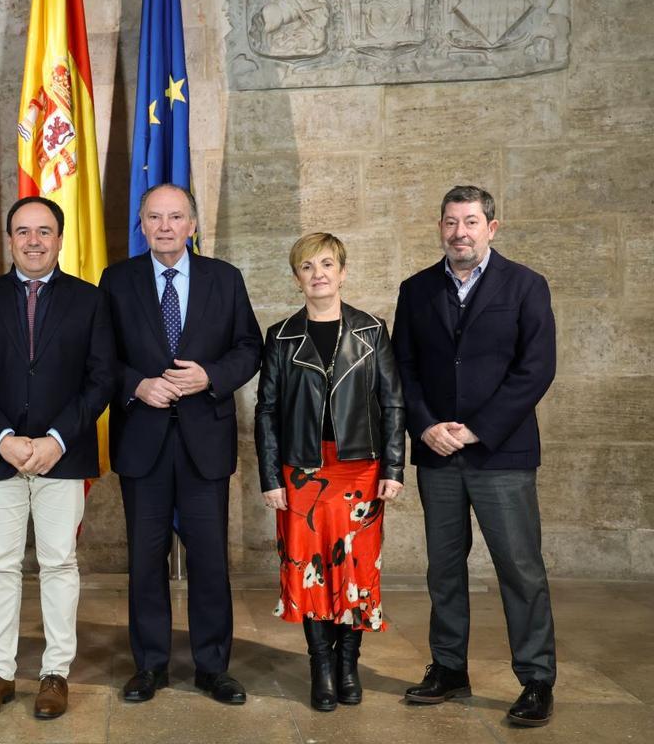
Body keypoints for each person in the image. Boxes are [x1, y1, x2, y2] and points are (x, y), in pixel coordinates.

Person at [394, 185, 557, 727]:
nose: (459, 232)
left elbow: (536, 369)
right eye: (449, 222)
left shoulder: (526, 286)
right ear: (440, 228)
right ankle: (447, 667)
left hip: (501, 454)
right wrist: (426, 426)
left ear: (492, 227)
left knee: (520, 569)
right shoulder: (415, 289)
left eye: (470, 222)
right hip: (437, 453)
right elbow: (404, 371)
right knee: (443, 567)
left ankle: (535, 679)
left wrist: (476, 431)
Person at [98, 184, 261, 705]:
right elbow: (101, 358)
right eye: (154, 217)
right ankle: (150, 666)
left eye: (175, 217)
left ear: (192, 224)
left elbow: (249, 348)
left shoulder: (224, 278)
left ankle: (213, 667)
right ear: (141, 225)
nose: (165, 226)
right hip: (142, 442)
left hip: (203, 441)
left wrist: (209, 376)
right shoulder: (117, 281)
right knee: (145, 561)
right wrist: (136, 385)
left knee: (210, 559)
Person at [0, 196, 114, 720]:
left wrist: (55, 440)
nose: (34, 241)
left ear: (60, 239)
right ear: (10, 240)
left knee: (58, 563)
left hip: (61, 455)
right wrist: (1, 436)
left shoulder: (90, 301)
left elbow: (101, 379)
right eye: (23, 232)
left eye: (44, 231)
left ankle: (55, 673)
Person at [254, 232, 405, 712]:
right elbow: (267, 409)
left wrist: (395, 467)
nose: (318, 273)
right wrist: (270, 477)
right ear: (297, 277)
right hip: (301, 471)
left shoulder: (372, 330)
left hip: (360, 469)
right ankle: (321, 666)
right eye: (307, 266)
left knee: (355, 569)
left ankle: (349, 665)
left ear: (342, 271)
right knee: (309, 571)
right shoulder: (280, 335)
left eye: (326, 264)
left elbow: (392, 401)